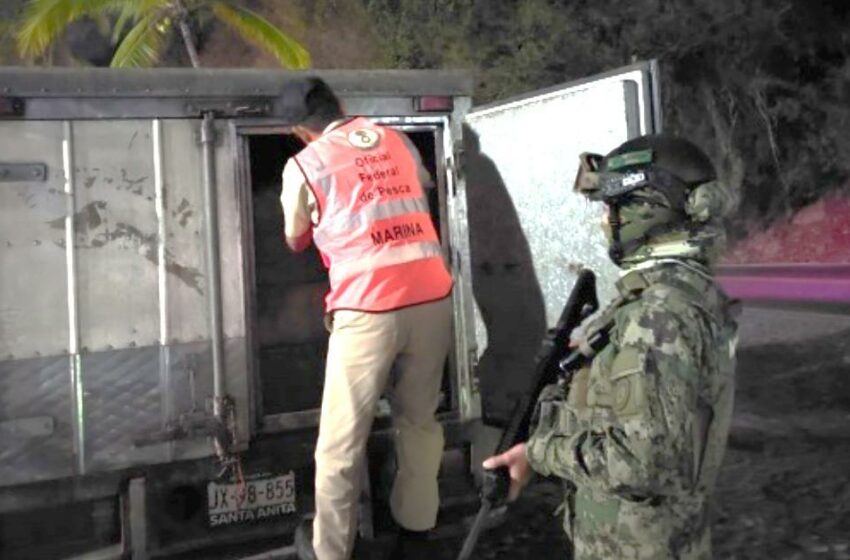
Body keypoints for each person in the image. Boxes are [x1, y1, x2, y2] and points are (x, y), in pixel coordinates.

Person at [483, 135, 739, 559]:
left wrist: (542, 450)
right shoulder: (679, 294)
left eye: (611, 206)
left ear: (645, 211)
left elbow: (640, 463)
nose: (604, 220)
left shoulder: (658, 313)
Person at [280, 78, 453, 560]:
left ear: (299, 131)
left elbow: (296, 239)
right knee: (419, 422)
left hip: (368, 310)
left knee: (340, 444)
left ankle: (332, 551)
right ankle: (417, 536)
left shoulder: (306, 164)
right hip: (432, 298)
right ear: (341, 107)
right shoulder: (395, 139)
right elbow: (419, 191)